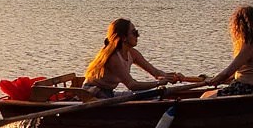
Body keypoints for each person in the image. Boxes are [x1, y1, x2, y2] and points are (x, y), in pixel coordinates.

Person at [44, 18, 181, 98]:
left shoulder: (133, 53)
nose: (137, 36)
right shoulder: (113, 57)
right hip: (92, 95)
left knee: (154, 95)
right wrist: (159, 84)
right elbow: (132, 85)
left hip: (108, 93)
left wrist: (173, 77)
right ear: (123, 37)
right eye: (134, 33)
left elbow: (156, 73)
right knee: (151, 95)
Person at [189, 5, 253, 96]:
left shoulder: (250, 46)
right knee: (207, 93)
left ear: (241, 25)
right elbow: (238, 73)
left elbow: (227, 72)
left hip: (244, 89)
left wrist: (216, 79)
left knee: (206, 95)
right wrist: (214, 79)